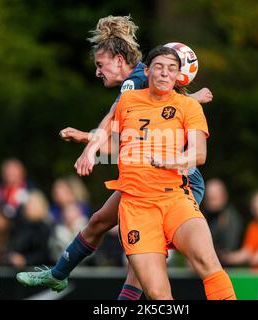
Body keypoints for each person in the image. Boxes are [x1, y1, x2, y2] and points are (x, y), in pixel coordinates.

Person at [16, 15, 213, 298]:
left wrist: (89, 148)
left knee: (144, 257)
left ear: (119, 60)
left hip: (176, 181)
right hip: (143, 180)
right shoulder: (142, 79)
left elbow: (114, 118)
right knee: (101, 224)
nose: (97, 72)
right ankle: (57, 274)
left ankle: (66, 278)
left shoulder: (134, 84)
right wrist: (88, 138)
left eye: (100, 65)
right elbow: (132, 132)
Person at [103, 45, 235, 299]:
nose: (165, 73)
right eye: (159, 67)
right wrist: (87, 143)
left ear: (178, 76)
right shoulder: (128, 101)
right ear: (147, 71)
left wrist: (169, 161)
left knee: (208, 262)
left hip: (175, 197)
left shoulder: (188, 106)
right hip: (137, 207)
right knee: (157, 293)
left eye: (172, 69)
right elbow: (113, 138)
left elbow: (199, 154)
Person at [8, 190, 52, 269]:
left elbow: (46, 253)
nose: (30, 207)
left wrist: (25, 260)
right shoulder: (19, 226)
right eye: (28, 204)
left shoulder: (45, 229)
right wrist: (12, 257)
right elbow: (11, 247)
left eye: (34, 205)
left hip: (39, 272)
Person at [203, 178, 243, 254]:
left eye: (214, 198)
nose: (210, 203)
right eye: (208, 198)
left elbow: (229, 249)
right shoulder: (205, 216)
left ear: (224, 197)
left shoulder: (231, 219)